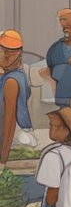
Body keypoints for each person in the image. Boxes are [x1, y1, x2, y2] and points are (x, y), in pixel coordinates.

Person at [0, 29, 33, 166]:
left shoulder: (11, 82)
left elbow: (10, 121)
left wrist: (2, 160)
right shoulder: (9, 75)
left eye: (6, 53)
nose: (3, 56)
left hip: (6, 137)